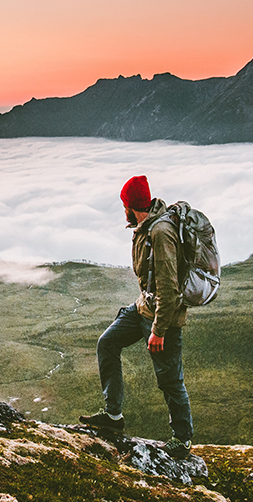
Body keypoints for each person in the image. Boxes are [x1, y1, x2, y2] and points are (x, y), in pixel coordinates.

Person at [80, 175, 194, 458]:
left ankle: (182, 439)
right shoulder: (145, 228)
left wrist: (159, 330)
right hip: (143, 308)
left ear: (132, 205)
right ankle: (113, 416)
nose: (123, 211)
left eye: (124, 205)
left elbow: (169, 287)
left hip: (161, 319)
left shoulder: (160, 232)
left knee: (169, 380)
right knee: (107, 343)